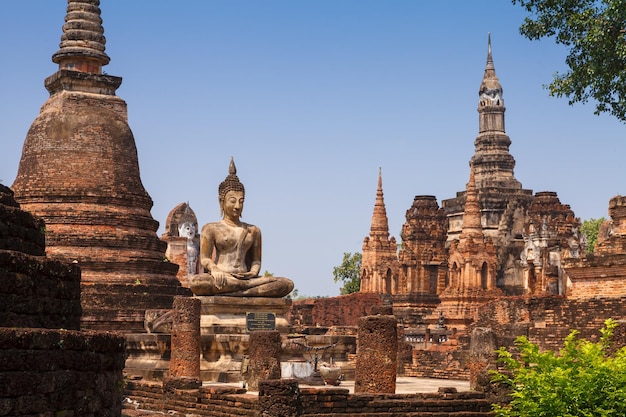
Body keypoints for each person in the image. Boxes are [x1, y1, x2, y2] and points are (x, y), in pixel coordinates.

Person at [188, 158, 294, 297]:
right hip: (222, 277)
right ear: (222, 201)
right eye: (232, 201)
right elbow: (205, 259)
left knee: (286, 284)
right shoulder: (211, 228)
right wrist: (214, 269)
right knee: (196, 283)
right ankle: (246, 290)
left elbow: (256, 261)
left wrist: (253, 272)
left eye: (241, 201)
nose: (237, 206)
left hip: (247, 278)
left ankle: (241, 288)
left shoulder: (253, 230)